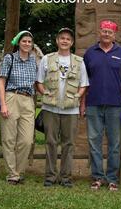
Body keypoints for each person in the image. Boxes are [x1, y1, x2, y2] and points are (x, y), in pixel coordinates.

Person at [83, 20, 121, 191]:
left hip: (115, 105)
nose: (106, 34)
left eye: (109, 32)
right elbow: (84, 81)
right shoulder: (90, 53)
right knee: (94, 141)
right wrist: (82, 103)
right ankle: (97, 177)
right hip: (93, 103)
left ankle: (112, 178)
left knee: (114, 143)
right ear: (99, 32)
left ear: (115, 35)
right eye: (104, 31)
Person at [36, 27, 89, 187]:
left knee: (69, 143)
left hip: (71, 110)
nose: (64, 41)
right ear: (57, 41)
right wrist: (46, 94)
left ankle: (66, 177)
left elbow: (84, 84)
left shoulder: (79, 62)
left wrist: (78, 97)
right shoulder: (47, 59)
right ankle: (50, 176)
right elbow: (39, 82)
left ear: (71, 42)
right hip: (50, 109)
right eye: (62, 38)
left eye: (68, 39)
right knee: (50, 142)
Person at [0, 30, 37, 185]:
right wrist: (3, 104)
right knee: (8, 139)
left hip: (28, 100)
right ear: (18, 43)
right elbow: (1, 81)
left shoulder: (34, 61)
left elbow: (38, 82)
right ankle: (12, 174)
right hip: (11, 97)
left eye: (29, 41)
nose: (27, 44)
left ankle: (20, 171)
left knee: (27, 140)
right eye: (24, 41)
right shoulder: (10, 59)